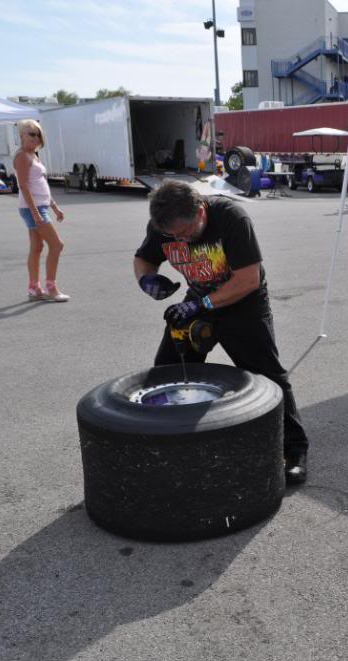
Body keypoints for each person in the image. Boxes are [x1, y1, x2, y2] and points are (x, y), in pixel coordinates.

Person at [133, 180, 310, 484]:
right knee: (167, 372)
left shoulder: (231, 218)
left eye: (186, 232)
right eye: (174, 236)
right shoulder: (164, 225)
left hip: (242, 302)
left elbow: (249, 279)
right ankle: (172, 445)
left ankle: (294, 449)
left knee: (268, 375)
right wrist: (146, 280)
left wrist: (199, 305)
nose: (181, 240)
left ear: (201, 210)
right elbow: (143, 259)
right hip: (198, 300)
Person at [13, 119, 68, 302]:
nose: (36, 138)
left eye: (38, 135)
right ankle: (51, 288)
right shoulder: (22, 156)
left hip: (39, 207)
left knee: (37, 248)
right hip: (32, 209)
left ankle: (34, 288)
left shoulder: (33, 155)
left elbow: (40, 185)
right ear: (22, 135)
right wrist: (36, 213)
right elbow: (24, 186)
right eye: (32, 134)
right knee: (57, 245)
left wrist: (55, 207)